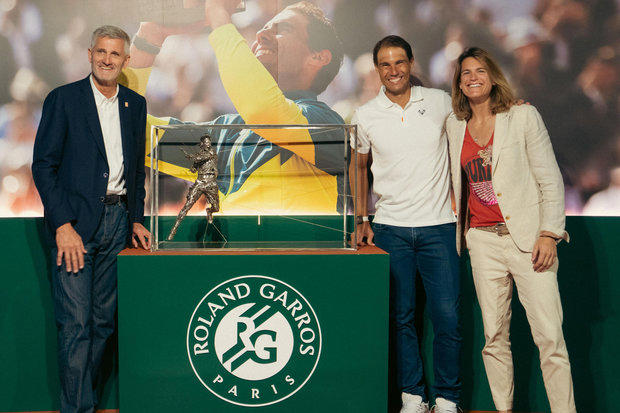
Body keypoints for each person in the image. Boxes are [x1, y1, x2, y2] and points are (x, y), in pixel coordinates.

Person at [121, 0, 345, 215]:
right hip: (231, 255)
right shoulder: (228, 132)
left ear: (318, 57)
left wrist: (219, 18)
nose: (261, 34)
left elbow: (263, 109)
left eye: (282, 29)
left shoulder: (327, 123)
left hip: (301, 255)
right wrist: (149, 37)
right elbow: (124, 129)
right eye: (262, 28)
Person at [446, 47, 575, 413]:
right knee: (493, 338)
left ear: (493, 76)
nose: (472, 77)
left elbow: (550, 180)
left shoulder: (522, 116)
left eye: (480, 70)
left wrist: (549, 234)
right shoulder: (454, 124)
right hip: (482, 242)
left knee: (550, 338)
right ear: (459, 82)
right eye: (465, 72)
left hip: (529, 241)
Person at [31, 25, 151, 413]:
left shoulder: (135, 104)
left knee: (102, 325)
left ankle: (84, 401)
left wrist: (135, 218)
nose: (107, 60)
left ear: (126, 61)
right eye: (101, 52)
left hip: (119, 224)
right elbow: (43, 166)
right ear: (89, 54)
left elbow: (136, 170)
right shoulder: (63, 99)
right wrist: (63, 225)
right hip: (76, 228)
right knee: (76, 326)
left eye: (115, 54)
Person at [350, 35, 461, 413]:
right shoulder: (365, 114)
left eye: (399, 62)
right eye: (385, 64)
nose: (393, 70)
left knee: (447, 318)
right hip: (390, 229)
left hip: (440, 228)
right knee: (401, 319)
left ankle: (448, 398)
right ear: (377, 68)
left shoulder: (440, 102)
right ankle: (413, 396)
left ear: (411, 63)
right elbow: (359, 167)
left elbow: (479, 121)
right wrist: (362, 218)